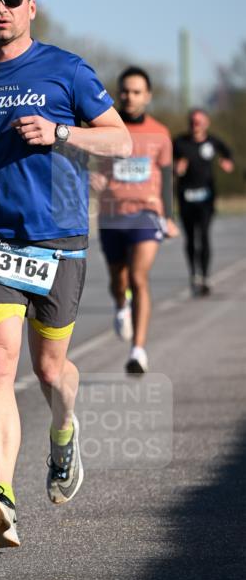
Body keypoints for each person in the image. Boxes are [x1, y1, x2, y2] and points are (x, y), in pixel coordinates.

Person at [0, 0, 131, 549]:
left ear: (31, 7)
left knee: (49, 372)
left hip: (58, 241)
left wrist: (62, 134)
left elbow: (119, 140)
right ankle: (3, 498)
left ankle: (64, 430)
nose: (1, 8)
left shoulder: (66, 70)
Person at [92, 66, 179, 375]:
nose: (129, 97)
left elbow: (167, 177)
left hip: (146, 214)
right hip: (112, 216)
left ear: (148, 96)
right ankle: (121, 304)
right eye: (125, 91)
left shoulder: (160, 133)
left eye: (136, 91)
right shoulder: (104, 129)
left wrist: (168, 217)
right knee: (119, 279)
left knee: (139, 277)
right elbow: (88, 163)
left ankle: (138, 350)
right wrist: (92, 178)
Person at [173, 109, 234, 296]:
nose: (196, 124)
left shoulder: (213, 142)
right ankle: (194, 275)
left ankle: (206, 276)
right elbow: (166, 164)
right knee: (191, 238)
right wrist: (177, 169)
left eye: (199, 121)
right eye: (193, 121)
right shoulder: (179, 143)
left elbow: (228, 154)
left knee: (205, 235)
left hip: (206, 198)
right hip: (186, 197)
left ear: (206, 123)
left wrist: (227, 163)